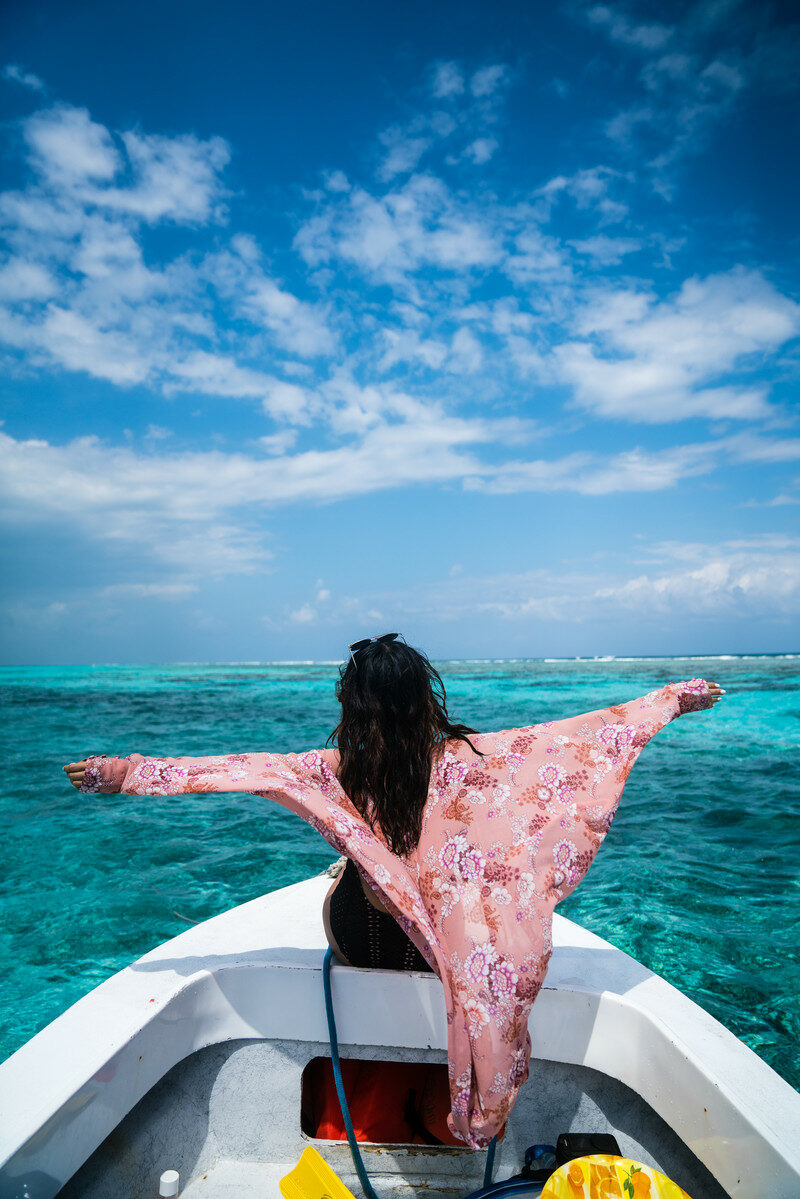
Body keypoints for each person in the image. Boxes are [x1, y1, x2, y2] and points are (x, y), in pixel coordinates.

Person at [64, 636, 724, 1148]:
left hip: (368, 941)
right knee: (467, 877)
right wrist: (669, 699)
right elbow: (582, 739)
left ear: (352, 706)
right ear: (423, 700)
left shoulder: (331, 771)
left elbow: (234, 770)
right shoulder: (472, 759)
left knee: (356, 873)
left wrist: (120, 772)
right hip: (440, 954)